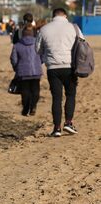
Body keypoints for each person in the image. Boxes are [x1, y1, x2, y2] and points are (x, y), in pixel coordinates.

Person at [35, 8, 80, 137]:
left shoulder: (44, 29)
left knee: (56, 98)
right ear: (65, 15)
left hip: (52, 68)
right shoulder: (73, 27)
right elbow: (82, 43)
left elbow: (37, 50)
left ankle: (56, 128)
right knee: (70, 95)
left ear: (53, 16)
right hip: (70, 66)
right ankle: (68, 123)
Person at [11, 26, 43, 116]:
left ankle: (25, 108)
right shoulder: (38, 44)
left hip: (23, 72)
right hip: (36, 71)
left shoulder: (17, 45)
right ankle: (33, 106)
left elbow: (13, 59)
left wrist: (16, 68)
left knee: (25, 91)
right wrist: (39, 63)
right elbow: (43, 56)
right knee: (36, 90)